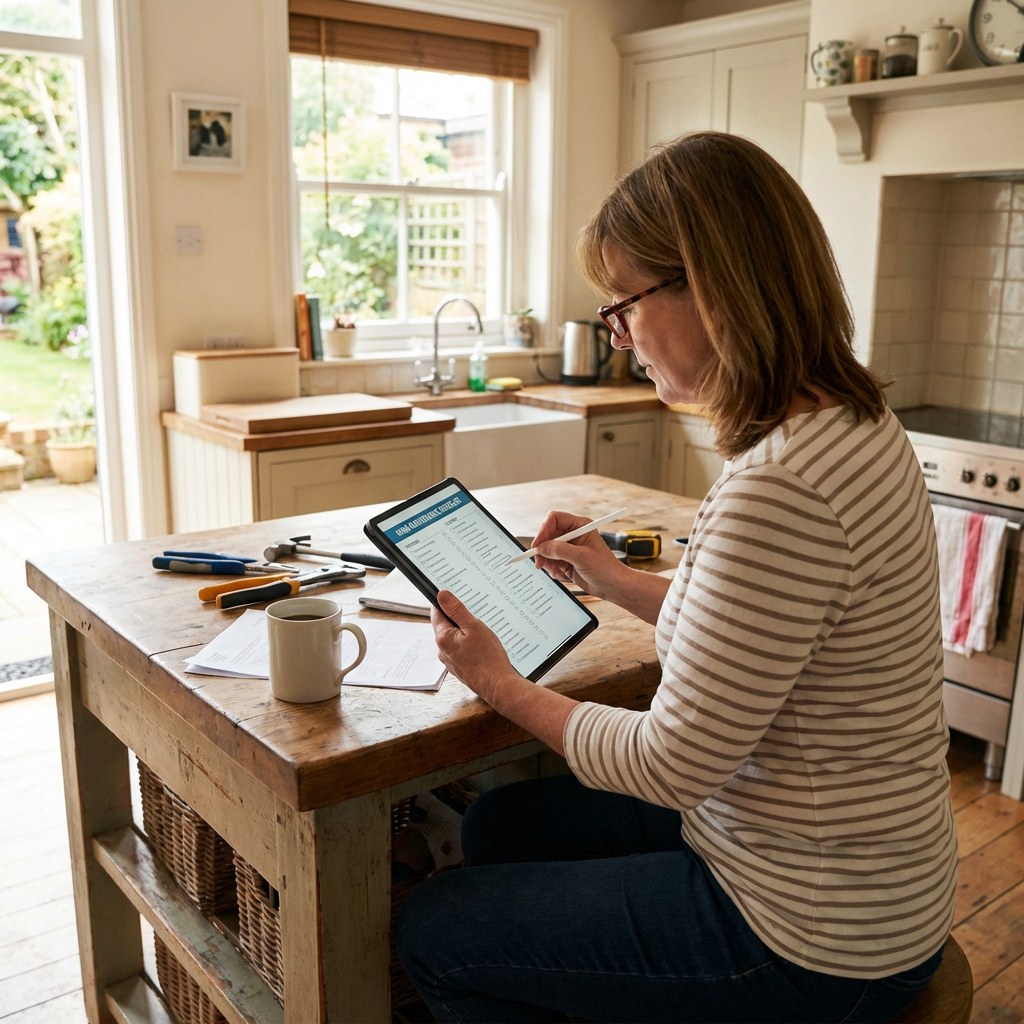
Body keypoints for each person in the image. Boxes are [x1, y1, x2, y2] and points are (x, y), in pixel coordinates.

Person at [395, 131, 957, 1023]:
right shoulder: (848, 423)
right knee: (500, 825)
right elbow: (754, 633)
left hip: (810, 937)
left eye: (623, 304)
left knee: (435, 928)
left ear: (713, 286)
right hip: (858, 875)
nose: (618, 336)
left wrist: (497, 682)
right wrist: (607, 577)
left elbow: (671, 763)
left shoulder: (780, 486)